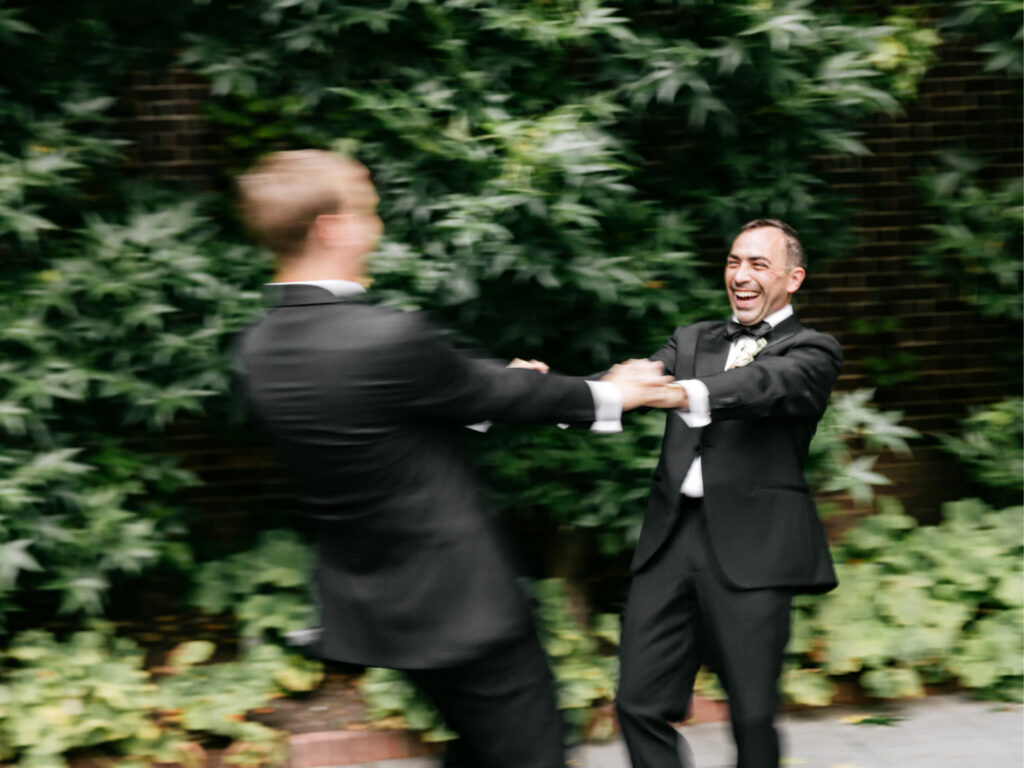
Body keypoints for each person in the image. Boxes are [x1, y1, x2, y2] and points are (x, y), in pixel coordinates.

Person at [234, 149, 674, 768]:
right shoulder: (386, 337)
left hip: (379, 608)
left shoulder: (259, 348)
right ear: (331, 228)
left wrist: (495, 388)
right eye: (368, 211)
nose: (377, 227)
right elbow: (462, 390)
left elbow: (400, 411)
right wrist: (616, 392)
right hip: (463, 603)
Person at [613, 219, 843, 768]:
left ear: (793, 278)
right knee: (636, 702)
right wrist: (548, 389)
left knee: (752, 715)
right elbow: (630, 380)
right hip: (670, 542)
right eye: (734, 262)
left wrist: (677, 393)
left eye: (758, 265)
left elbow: (760, 387)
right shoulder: (692, 339)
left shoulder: (813, 351)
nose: (740, 275)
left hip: (755, 548)